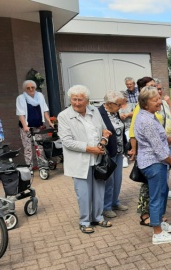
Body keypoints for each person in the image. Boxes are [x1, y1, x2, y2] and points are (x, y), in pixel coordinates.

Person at [58, 85, 112, 234]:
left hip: (98, 158)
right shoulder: (64, 116)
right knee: (83, 193)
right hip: (79, 160)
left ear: (87, 100)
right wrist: (90, 148)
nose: (76, 102)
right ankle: (85, 221)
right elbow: (67, 141)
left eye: (80, 99)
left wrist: (102, 142)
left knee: (99, 190)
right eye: (73, 99)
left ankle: (98, 217)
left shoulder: (94, 111)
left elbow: (104, 130)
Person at [134, 86, 171, 244]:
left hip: (154, 162)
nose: (160, 102)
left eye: (159, 99)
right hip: (154, 163)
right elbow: (158, 151)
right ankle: (158, 233)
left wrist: (164, 138)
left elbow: (155, 140)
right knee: (157, 197)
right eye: (156, 100)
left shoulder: (148, 116)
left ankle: (160, 223)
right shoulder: (147, 121)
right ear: (146, 104)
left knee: (161, 193)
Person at [98, 91, 128, 219]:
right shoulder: (99, 113)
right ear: (110, 104)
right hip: (108, 152)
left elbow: (120, 130)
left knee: (118, 179)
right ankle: (106, 207)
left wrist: (127, 147)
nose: (121, 107)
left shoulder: (114, 112)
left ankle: (115, 202)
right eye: (119, 104)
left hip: (119, 151)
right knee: (108, 181)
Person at [16, 80, 54, 170]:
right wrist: (25, 126)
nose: (30, 89)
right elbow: (20, 114)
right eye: (28, 88)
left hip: (38, 125)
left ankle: (42, 164)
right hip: (27, 127)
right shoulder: (21, 98)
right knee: (28, 148)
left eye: (32, 87)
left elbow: (45, 110)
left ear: (35, 88)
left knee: (39, 146)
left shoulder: (40, 96)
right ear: (25, 89)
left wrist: (49, 121)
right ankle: (29, 167)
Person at [119, 91, 133, 168]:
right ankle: (123, 155)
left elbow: (135, 113)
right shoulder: (118, 106)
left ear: (125, 98)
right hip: (120, 128)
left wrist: (128, 114)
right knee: (119, 138)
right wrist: (120, 115)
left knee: (127, 138)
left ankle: (125, 155)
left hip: (129, 127)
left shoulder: (131, 105)